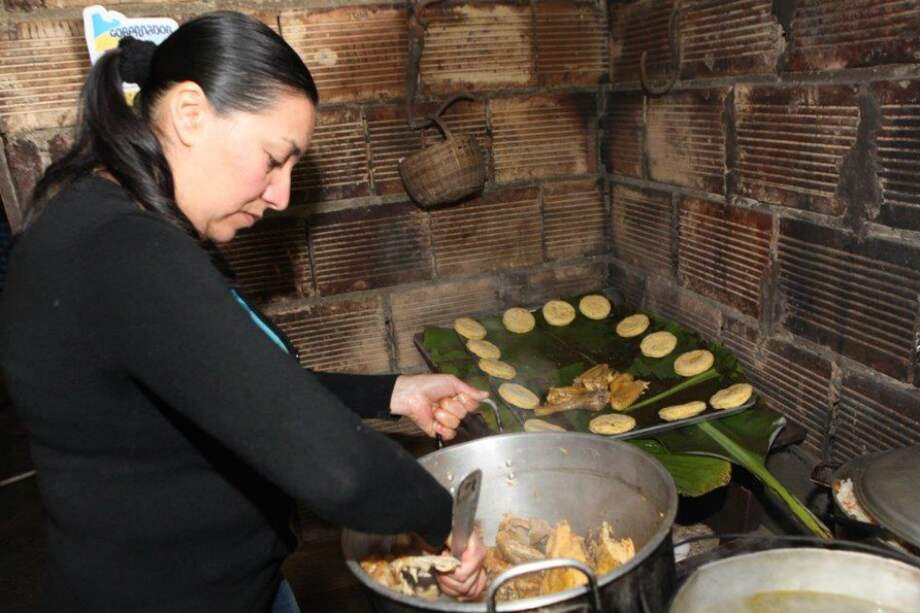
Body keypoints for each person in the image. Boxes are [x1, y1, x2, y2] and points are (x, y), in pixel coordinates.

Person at [0, 11, 490, 613]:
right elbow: (338, 468)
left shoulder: (101, 224)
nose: (282, 196)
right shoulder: (124, 252)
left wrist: (392, 392)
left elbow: (238, 390)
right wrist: (452, 527)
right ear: (189, 115)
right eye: (274, 158)